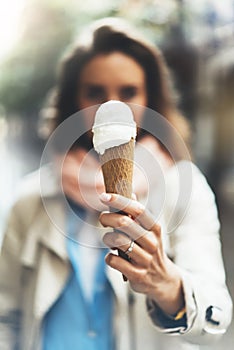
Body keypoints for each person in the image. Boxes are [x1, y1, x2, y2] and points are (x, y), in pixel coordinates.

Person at [0, 17, 232, 350]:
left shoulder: (185, 189)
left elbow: (216, 321)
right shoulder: (32, 198)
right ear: (72, 103)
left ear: (150, 101)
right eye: (95, 92)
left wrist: (167, 284)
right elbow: (5, 316)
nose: (112, 106)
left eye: (129, 92)